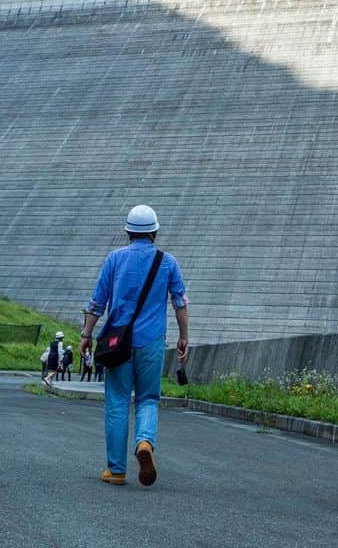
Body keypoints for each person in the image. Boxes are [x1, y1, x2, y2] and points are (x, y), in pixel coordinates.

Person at [79, 205, 189, 487]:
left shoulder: (115, 259)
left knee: (117, 401)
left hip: (118, 343)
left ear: (127, 231)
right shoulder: (168, 262)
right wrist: (183, 337)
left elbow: (97, 302)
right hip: (151, 341)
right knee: (148, 398)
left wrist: (86, 335)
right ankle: (144, 443)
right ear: (155, 231)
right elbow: (180, 303)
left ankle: (116, 470)